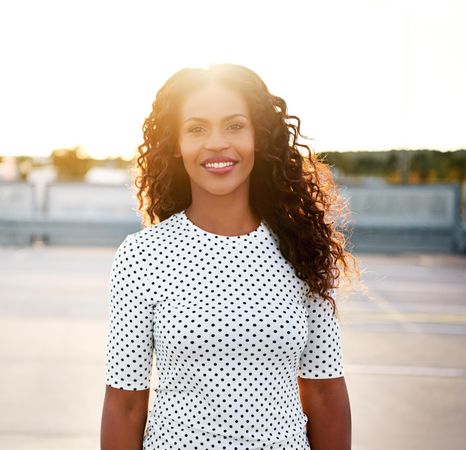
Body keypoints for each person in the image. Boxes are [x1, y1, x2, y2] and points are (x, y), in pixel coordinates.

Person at [100, 63, 358, 450]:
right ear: (176, 142)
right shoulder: (142, 256)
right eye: (197, 128)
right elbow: (125, 406)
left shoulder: (301, 248)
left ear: (259, 138)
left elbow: (325, 394)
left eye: (235, 126)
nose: (217, 142)